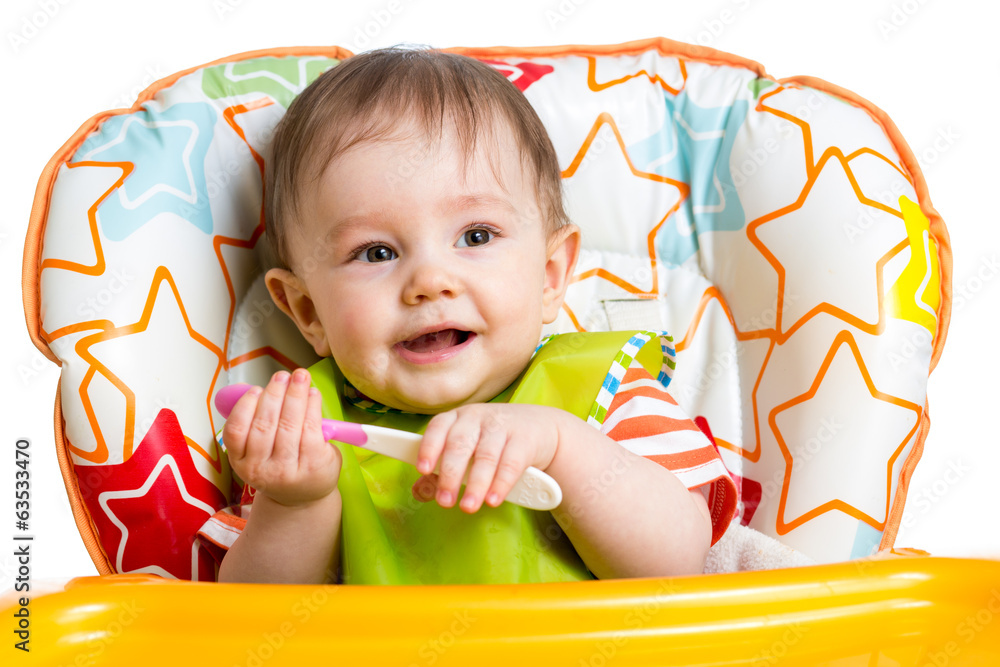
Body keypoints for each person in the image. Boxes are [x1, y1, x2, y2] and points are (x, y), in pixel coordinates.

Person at [208, 46, 737, 585]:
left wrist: (560, 447)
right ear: (307, 311)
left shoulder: (606, 392)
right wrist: (296, 504)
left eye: (476, 236)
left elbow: (678, 565)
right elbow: (252, 622)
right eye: (376, 253)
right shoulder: (306, 428)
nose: (429, 282)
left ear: (550, 275)